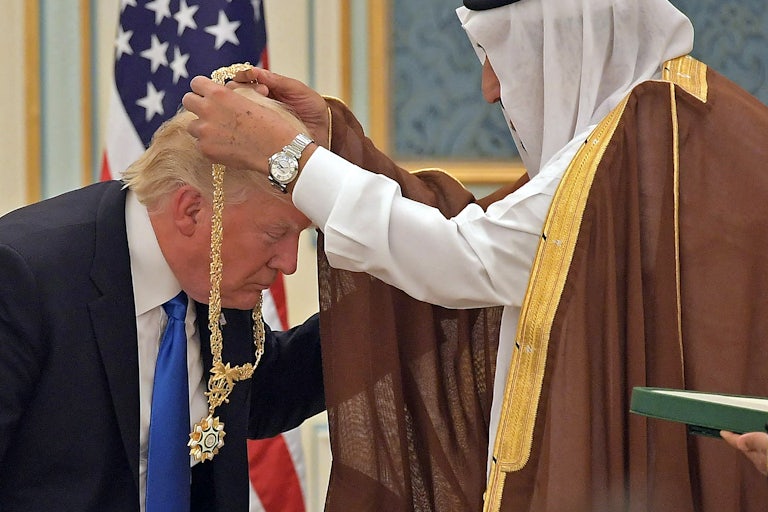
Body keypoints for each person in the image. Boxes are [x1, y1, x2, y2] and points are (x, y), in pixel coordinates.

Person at [182, 0, 768, 510]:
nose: (489, 87)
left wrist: (291, 158)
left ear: (562, 35)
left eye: (498, 53)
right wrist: (334, 148)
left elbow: (470, 257)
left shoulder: (649, 139)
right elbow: (478, 233)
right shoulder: (668, 122)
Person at [0, 89, 325, 512]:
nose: (288, 263)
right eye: (275, 234)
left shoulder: (217, 280)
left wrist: (396, 309)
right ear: (191, 211)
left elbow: (261, 394)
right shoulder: (24, 276)